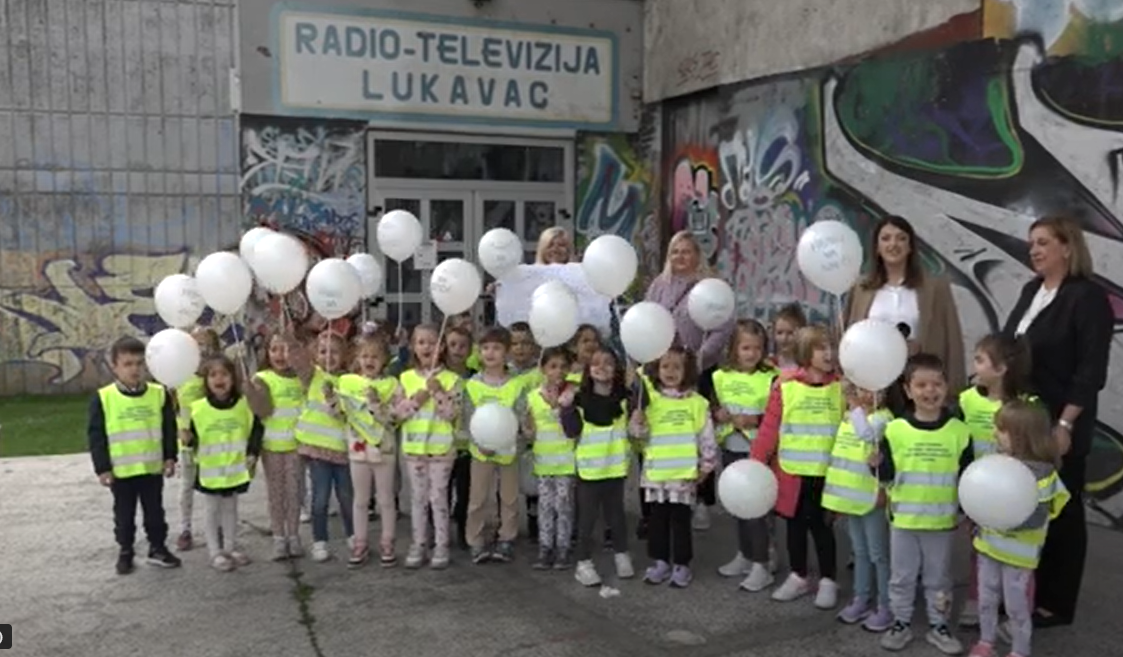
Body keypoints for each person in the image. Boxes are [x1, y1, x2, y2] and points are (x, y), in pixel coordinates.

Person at [1001, 215, 1113, 629]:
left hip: (1060, 424)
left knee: (1062, 512)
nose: (1034, 249)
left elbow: (1090, 371)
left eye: (1043, 242)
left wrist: (1064, 425)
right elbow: (1011, 346)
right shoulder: (1032, 290)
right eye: (1032, 242)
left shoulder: (1087, 298)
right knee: (1027, 507)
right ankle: (1024, 591)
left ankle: (1056, 603)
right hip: (1024, 422)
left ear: (1068, 247)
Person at [875, 353, 972, 654]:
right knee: (901, 577)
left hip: (941, 522)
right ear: (907, 390)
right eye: (921, 385)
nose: (930, 391)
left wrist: (966, 511)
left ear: (946, 386)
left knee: (938, 579)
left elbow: (968, 478)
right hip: (904, 520)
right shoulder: (894, 430)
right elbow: (887, 476)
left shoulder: (960, 432)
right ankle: (900, 622)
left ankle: (938, 625)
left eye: (937, 384)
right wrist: (875, 464)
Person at [644, 230, 735, 531]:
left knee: (699, 432)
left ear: (697, 255)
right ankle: (658, 496)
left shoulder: (710, 286)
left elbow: (723, 327)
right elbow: (647, 319)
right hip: (662, 371)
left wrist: (699, 359)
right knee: (665, 431)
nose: (680, 257)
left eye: (686, 251)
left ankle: (701, 500)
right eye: (675, 251)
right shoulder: (659, 285)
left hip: (698, 369)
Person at [751, 325, 845, 608]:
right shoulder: (785, 386)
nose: (828, 353)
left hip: (827, 474)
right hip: (792, 473)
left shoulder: (841, 387)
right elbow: (769, 428)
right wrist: (756, 463)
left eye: (832, 347)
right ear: (805, 352)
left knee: (822, 528)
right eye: (821, 348)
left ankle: (828, 580)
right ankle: (798, 575)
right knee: (795, 527)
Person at [969, 400, 1070, 657]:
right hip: (988, 546)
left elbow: (1037, 518)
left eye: (1001, 429)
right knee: (986, 598)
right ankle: (986, 641)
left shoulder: (1043, 475)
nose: (994, 433)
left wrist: (1001, 518)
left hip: (1019, 555)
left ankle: (1020, 650)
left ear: (1021, 436)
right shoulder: (996, 464)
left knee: (1017, 605)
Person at [843, 215, 967, 403]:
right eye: (886, 238)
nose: (893, 244)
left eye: (901, 238)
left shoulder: (935, 287)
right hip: (873, 382)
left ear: (910, 247)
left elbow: (952, 338)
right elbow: (849, 336)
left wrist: (955, 389)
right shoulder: (861, 288)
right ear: (877, 247)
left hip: (920, 382)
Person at [88, 336, 182, 574]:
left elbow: (168, 428)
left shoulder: (158, 394)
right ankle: (126, 550)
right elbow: (96, 436)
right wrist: (102, 468)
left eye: (139, 363)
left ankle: (157, 548)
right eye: (128, 364)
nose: (134, 369)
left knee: (155, 513)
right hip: (121, 472)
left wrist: (170, 457)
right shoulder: (104, 397)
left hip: (151, 469)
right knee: (124, 516)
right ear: (115, 366)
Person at [958, 332, 1033, 626]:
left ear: (1001, 369)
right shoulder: (966, 400)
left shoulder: (1025, 406)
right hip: (977, 490)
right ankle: (977, 598)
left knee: (1015, 554)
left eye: (980, 360)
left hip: (1012, 493)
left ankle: (1015, 609)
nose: (973, 366)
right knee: (979, 547)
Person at [559, 345, 642, 587]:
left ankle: (621, 553)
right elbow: (571, 431)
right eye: (595, 363)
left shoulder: (626, 400)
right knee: (587, 520)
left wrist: (639, 422)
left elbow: (635, 430)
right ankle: (583, 563)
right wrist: (566, 409)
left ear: (617, 368)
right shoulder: (579, 400)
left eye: (608, 362)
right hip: (589, 470)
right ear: (588, 369)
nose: (601, 367)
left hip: (615, 468)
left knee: (616, 516)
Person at [636, 346, 718, 588]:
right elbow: (639, 437)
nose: (670, 371)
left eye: (676, 367)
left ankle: (682, 564)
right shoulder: (650, 401)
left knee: (681, 522)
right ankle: (660, 561)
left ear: (687, 371)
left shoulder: (697, 403)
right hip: (656, 475)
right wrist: (637, 423)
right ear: (657, 369)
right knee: (657, 521)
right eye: (665, 366)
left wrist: (706, 465)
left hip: (683, 476)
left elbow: (706, 437)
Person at [712, 320, 778, 592]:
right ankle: (745, 554)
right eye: (746, 348)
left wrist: (756, 419)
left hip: (758, 451)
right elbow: (713, 407)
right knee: (737, 504)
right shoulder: (721, 376)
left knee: (756, 510)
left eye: (757, 348)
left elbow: (778, 414)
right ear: (734, 349)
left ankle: (762, 564)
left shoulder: (771, 377)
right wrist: (718, 414)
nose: (752, 354)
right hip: (731, 447)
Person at [823, 382, 894, 632]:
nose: (868, 394)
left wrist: (854, 406)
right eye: (862, 388)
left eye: (876, 389)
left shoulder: (884, 418)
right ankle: (861, 599)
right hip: (850, 496)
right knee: (860, 552)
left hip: (871, 497)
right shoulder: (848, 417)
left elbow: (867, 435)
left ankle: (886, 605)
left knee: (878, 554)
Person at [184, 355, 265, 571]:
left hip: (234, 469)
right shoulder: (198, 408)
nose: (219, 379)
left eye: (224, 374)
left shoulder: (244, 405)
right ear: (206, 380)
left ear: (233, 378)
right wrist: (188, 439)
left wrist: (253, 452)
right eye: (213, 375)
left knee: (231, 509)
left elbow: (256, 428)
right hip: (210, 472)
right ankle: (215, 552)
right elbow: (192, 437)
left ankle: (230, 547)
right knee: (212, 511)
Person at [338, 329, 405, 568]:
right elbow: (340, 412)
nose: (369, 361)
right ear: (357, 358)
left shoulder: (392, 385)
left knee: (386, 499)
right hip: (358, 450)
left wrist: (378, 405)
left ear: (384, 359)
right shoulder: (347, 382)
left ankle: (388, 542)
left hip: (384, 450)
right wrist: (331, 400)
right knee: (360, 500)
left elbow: (397, 417)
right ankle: (360, 542)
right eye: (365, 356)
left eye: (375, 356)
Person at [398, 324, 462, 569]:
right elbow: (397, 414)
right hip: (415, 449)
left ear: (442, 347)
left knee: (438, 498)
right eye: (421, 342)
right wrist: (417, 399)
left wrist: (438, 393)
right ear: (413, 347)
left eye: (433, 342)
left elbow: (452, 414)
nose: (427, 347)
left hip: (441, 450)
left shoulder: (452, 379)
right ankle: (419, 543)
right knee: (418, 498)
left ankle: (441, 544)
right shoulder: (405, 378)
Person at [462, 327, 525, 565]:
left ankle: (506, 538)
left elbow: (520, 416)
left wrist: (510, 439)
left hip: (508, 450)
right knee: (478, 498)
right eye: (485, 348)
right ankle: (475, 540)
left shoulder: (516, 385)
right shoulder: (472, 385)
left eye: (497, 348)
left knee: (509, 498)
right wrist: (480, 442)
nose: (490, 353)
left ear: (506, 353)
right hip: (481, 451)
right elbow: (467, 419)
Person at [291, 330, 354, 563]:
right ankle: (320, 540)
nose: (329, 356)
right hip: (317, 450)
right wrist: (291, 340)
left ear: (344, 355)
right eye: (323, 351)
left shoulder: (349, 381)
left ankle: (353, 534)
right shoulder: (312, 376)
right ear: (315, 355)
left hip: (343, 450)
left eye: (335, 352)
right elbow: (297, 361)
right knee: (320, 498)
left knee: (347, 497)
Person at [523, 346, 579, 569]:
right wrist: (527, 428)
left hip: (565, 461)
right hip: (543, 462)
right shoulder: (533, 397)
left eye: (563, 366)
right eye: (553, 366)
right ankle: (545, 547)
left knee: (564, 506)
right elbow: (529, 432)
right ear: (543, 369)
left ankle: (563, 548)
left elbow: (574, 429)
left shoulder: (572, 395)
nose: (558, 371)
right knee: (545, 507)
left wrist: (562, 407)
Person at [254, 331, 307, 560]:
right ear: (266, 353)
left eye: (285, 349)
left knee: (294, 493)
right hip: (271, 447)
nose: (280, 354)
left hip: (296, 446)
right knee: (276, 494)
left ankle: (293, 536)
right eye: (274, 349)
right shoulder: (262, 378)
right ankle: (278, 537)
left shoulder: (302, 378)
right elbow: (260, 411)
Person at [174, 326, 221, 552]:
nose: (202, 349)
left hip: (213, 440)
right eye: (196, 344)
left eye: (206, 345)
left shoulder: (218, 376)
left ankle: (217, 526)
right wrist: (179, 430)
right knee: (187, 486)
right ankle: (185, 528)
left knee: (215, 485)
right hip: (188, 441)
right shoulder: (181, 376)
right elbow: (172, 407)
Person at [509, 321, 543, 544]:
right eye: (515, 344)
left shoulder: (539, 373)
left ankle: (535, 521)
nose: (520, 348)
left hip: (533, 435)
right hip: (509, 436)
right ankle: (506, 524)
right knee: (507, 484)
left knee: (533, 482)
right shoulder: (504, 372)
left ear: (534, 346)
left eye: (525, 343)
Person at [443, 325, 476, 549]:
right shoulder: (439, 376)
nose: (457, 349)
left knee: (466, 491)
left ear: (470, 350)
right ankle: (440, 532)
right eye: (453, 344)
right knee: (441, 491)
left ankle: (465, 532)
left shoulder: (476, 378)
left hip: (467, 445)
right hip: (442, 445)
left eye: (463, 346)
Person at [771, 304, 807, 373]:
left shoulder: (808, 366)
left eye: (790, 333)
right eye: (779, 333)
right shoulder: (769, 364)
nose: (784, 338)